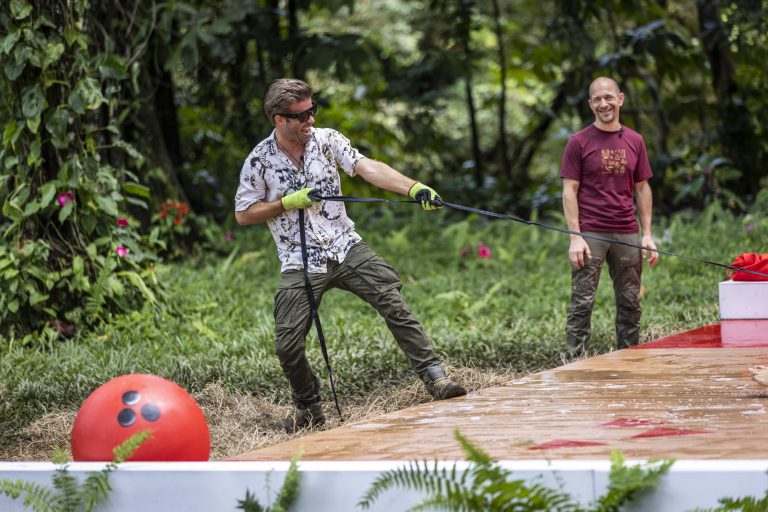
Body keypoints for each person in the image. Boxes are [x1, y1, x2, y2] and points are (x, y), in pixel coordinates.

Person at [234, 78, 466, 432]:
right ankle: (309, 408)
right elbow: (243, 213)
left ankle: (436, 378)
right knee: (287, 344)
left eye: (313, 110)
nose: (311, 119)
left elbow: (366, 167)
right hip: (301, 260)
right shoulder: (259, 161)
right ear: (279, 120)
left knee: (393, 302)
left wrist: (413, 187)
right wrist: (284, 203)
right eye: (302, 115)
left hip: (345, 246)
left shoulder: (327, 140)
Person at [559, 76, 659, 355]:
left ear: (621, 98)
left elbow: (642, 188)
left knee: (630, 302)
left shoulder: (635, 140)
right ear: (590, 105)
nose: (604, 104)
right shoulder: (578, 142)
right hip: (591, 234)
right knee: (582, 302)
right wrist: (575, 237)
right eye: (597, 99)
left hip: (627, 231)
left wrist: (647, 235)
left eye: (609, 97)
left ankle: (629, 359)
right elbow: (569, 190)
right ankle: (576, 362)